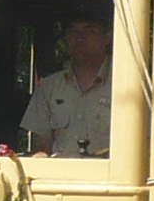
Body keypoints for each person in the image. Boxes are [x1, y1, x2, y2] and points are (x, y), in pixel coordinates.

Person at [21, 14, 112, 157]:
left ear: (108, 37)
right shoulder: (48, 87)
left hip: (110, 178)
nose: (79, 38)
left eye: (90, 31)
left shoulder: (129, 86)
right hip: (60, 176)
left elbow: (145, 143)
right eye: (73, 31)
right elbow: (42, 146)